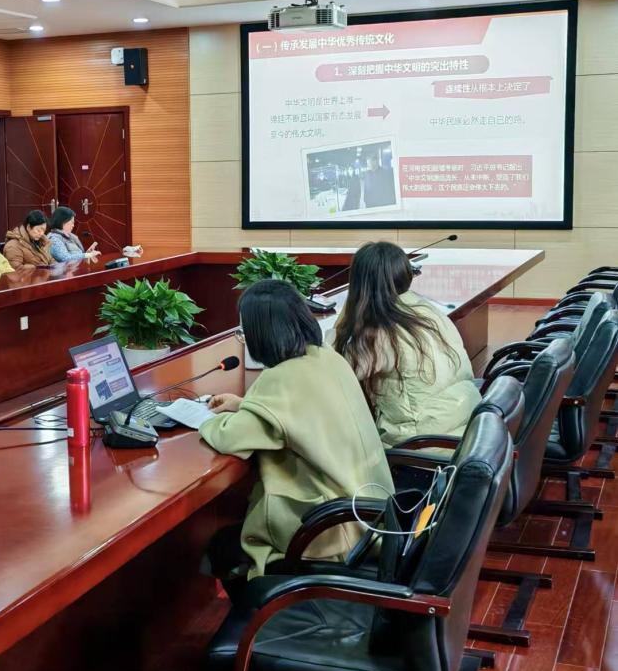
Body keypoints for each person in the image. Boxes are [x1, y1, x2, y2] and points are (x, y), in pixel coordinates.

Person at [200, 279, 393, 588]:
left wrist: (201, 419)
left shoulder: (282, 378)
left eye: (244, 332)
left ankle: (261, 610)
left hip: (330, 530)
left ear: (262, 335)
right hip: (368, 512)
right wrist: (246, 405)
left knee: (222, 548)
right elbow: (298, 414)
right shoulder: (326, 357)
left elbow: (230, 438)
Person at [333, 241, 481, 448]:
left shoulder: (379, 332)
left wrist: (347, 314)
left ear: (359, 283)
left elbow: (335, 373)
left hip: (421, 444)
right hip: (466, 427)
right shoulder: (429, 311)